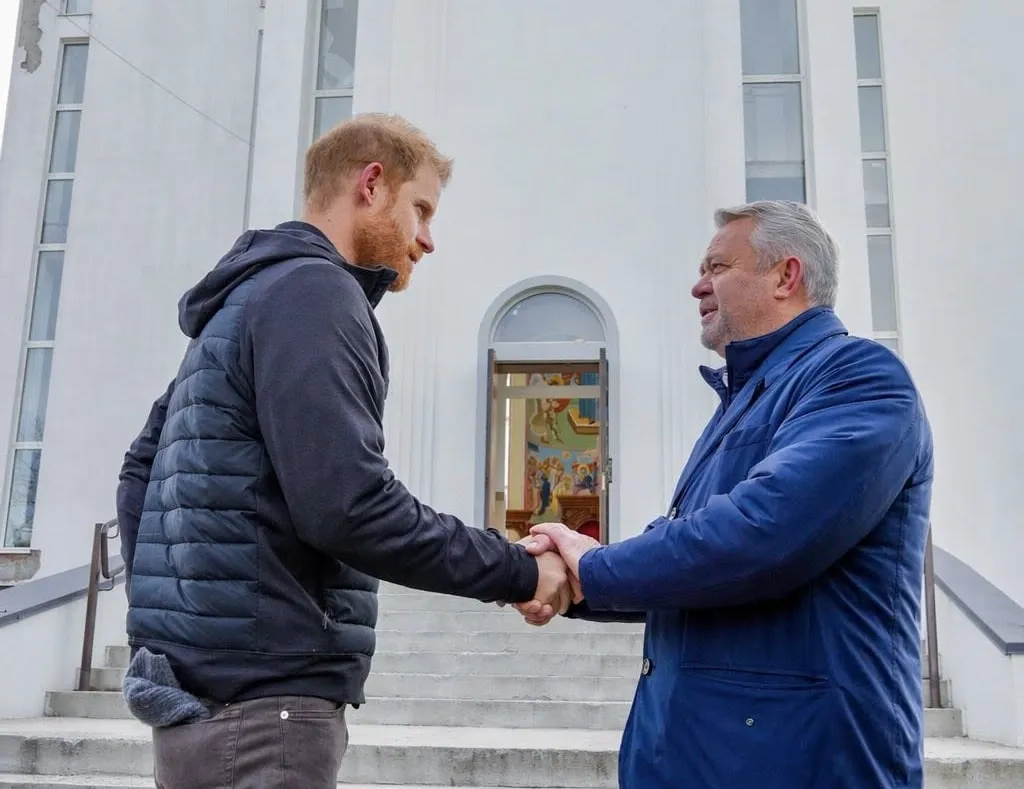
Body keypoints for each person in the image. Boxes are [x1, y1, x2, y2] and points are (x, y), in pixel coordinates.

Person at [114, 113, 572, 789]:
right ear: (370, 184)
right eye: (421, 210)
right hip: (264, 713)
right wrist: (520, 571)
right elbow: (349, 507)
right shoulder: (315, 293)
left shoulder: (245, 298)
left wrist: (192, 619)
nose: (428, 240)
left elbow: (138, 475)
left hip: (205, 709)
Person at [519, 200, 934, 788]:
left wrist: (592, 566)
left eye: (717, 267)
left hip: (799, 759)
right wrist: (576, 587)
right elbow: (692, 557)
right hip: (699, 755)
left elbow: (761, 533)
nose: (697, 286)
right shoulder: (744, 402)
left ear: (786, 276)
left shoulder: (858, 378)